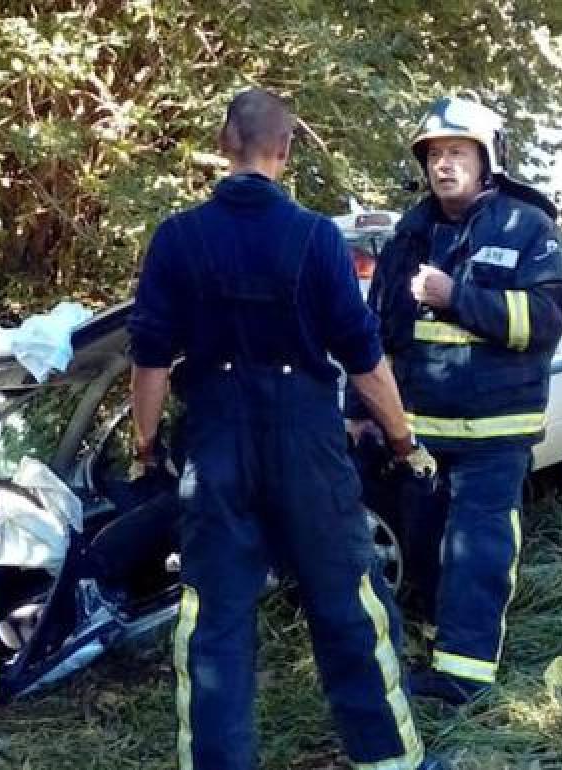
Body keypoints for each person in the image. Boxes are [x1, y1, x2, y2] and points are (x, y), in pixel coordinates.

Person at [130, 88, 446, 770]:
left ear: (224, 142)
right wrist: (402, 442)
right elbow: (364, 361)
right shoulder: (315, 237)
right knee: (349, 602)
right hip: (307, 442)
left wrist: (145, 449)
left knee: (213, 622)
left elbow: (149, 360)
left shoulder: (177, 238)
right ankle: (391, 760)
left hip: (215, 445)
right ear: (286, 149)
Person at [347, 96, 562, 705]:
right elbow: (375, 331)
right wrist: (359, 410)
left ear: (488, 158)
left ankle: (465, 677)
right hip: (418, 432)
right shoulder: (409, 235)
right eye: (434, 154)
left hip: (496, 430)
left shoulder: (527, 227)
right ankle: (437, 644)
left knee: (477, 552)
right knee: (423, 545)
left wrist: (456, 297)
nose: (442, 164)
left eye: (456, 152)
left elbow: (545, 320)